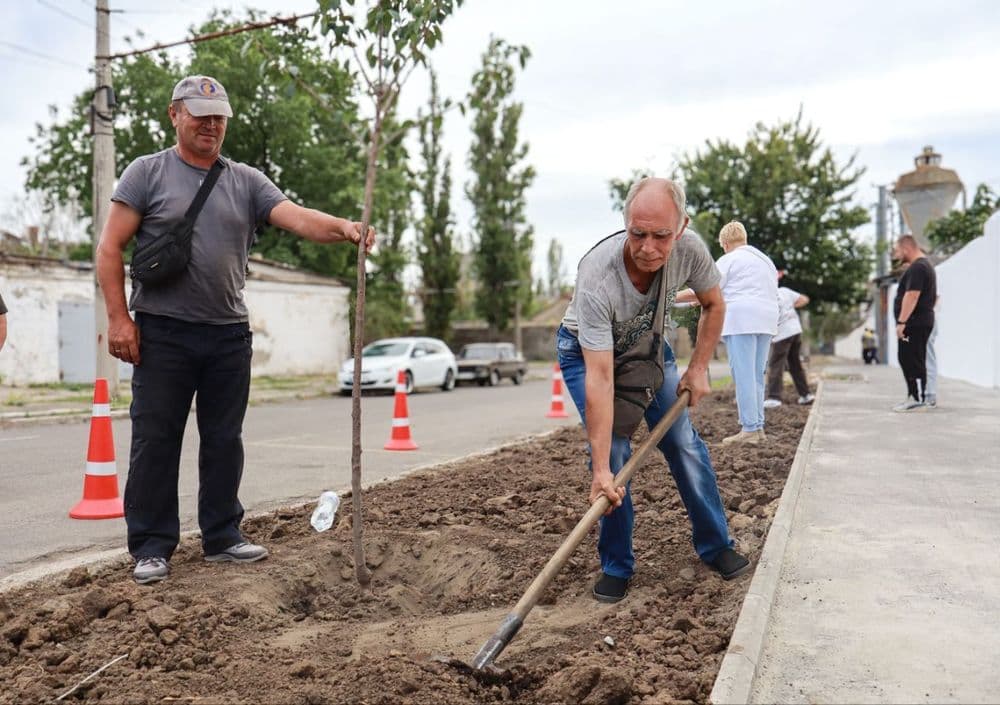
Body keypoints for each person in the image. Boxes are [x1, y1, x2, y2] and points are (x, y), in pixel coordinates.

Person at [95, 75, 375, 585]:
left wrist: (345, 228)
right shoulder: (146, 173)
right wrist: (119, 319)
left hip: (227, 333)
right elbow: (109, 247)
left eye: (219, 114)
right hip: (163, 331)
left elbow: (296, 217)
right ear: (174, 114)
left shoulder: (245, 179)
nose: (212, 123)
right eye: (201, 113)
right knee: (156, 440)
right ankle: (152, 547)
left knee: (224, 438)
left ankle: (222, 535)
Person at [557, 177, 750, 604]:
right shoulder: (596, 274)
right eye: (637, 233)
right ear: (625, 223)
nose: (647, 247)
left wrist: (699, 368)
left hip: (647, 345)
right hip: (587, 353)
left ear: (680, 228)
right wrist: (600, 471)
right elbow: (602, 377)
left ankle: (716, 546)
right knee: (613, 455)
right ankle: (616, 565)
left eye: (660, 235)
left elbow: (714, 303)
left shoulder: (692, 251)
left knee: (682, 441)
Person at [693, 221, 778, 444]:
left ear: (726, 243)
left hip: (742, 319)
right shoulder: (765, 261)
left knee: (743, 375)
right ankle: (758, 427)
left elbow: (708, 289)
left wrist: (673, 299)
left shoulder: (729, 259)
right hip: (767, 319)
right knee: (757, 375)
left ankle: (749, 430)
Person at [891, 235, 936, 412]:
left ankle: (917, 398)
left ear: (906, 248)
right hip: (917, 322)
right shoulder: (922, 266)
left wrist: (902, 322)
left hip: (914, 323)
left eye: (897, 250)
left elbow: (912, 295)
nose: (896, 255)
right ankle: (914, 396)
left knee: (912, 359)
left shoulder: (918, 267)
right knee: (909, 358)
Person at [764, 274, 813, 408]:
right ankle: (805, 395)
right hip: (796, 331)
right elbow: (804, 299)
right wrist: (791, 306)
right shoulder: (785, 292)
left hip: (782, 335)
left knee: (776, 364)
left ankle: (774, 397)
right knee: (795, 364)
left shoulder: (766, 297)